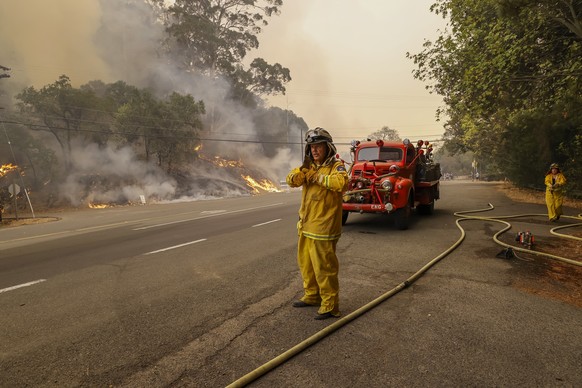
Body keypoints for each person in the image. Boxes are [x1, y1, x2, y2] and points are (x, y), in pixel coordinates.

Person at [286, 127, 349, 320]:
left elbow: (341, 183)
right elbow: (291, 180)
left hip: (324, 228)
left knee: (324, 268)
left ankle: (330, 305)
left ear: (327, 147)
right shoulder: (309, 166)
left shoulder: (336, 166)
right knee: (307, 265)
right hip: (306, 226)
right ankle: (312, 295)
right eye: (312, 147)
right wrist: (298, 176)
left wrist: (318, 177)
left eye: (318, 146)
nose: (314, 150)